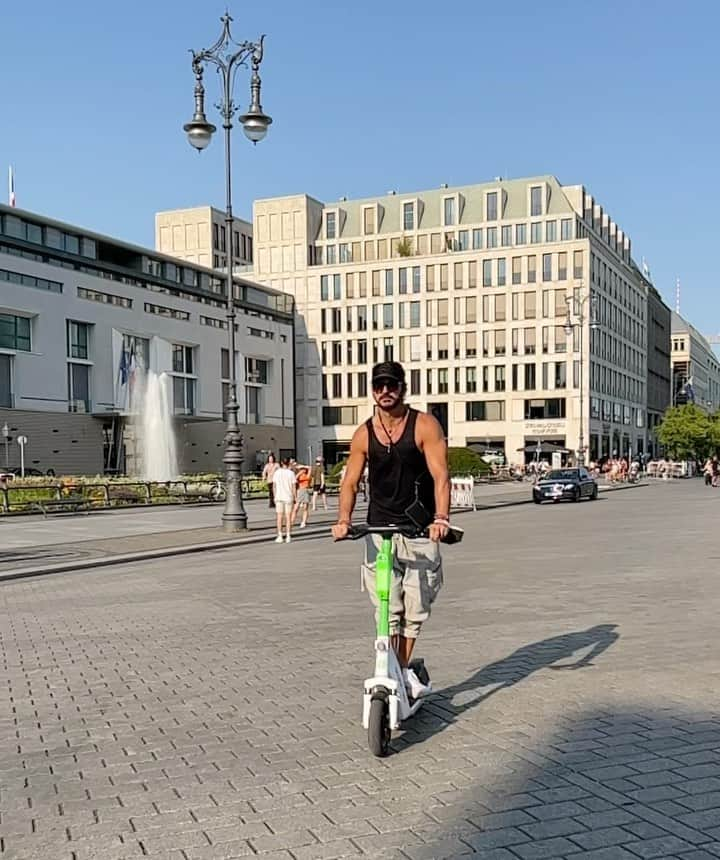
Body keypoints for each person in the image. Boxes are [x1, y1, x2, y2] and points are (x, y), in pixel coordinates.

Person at [331, 361, 450, 700]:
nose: (385, 391)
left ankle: (400, 666)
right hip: (378, 528)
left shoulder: (424, 425)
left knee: (416, 605)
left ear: (403, 388)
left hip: (419, 528)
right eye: (379, 385)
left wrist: (441, 517)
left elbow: (441, 475)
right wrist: (343, 520)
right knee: (386, 605)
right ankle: (396, 672)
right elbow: (350, 482)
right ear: (372, 390)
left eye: (392, 385)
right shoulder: (363, 433)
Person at [272, 459, 296, 543]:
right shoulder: (291, 473)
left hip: (279, 497)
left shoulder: (277, 472)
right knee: (288, 517)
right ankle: (288, 536)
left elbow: (274, 486)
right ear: (289, 463)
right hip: (288, 497)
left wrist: (274, 497)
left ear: (281, 463)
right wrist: (295, 497)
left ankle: (280, 535)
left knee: (279, 517)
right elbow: (294, 487)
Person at [292, 464, 312, 529]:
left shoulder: (307, 475)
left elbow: (310, 468)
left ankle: (303, 522)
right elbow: (294, 478)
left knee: (305, 508)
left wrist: (304, 467)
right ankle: (292, 521)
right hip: (300, 490)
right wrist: (300, 472)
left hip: (306, 490)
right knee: (296, 507)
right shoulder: (299, 475)